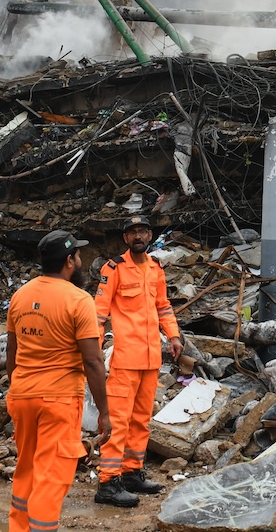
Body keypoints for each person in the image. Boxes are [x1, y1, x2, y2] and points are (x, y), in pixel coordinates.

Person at [7, 230, 111, 532]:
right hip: (59, 400)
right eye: (78, 256)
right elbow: (93, 360)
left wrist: (18, 387)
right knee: (52, 478)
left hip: (22, 395)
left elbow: (12, 352)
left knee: (26, 469)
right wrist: (104, 412)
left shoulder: (21, 295)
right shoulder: (79, 300)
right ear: (69, 261)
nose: (80, 260)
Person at [92, 215, 182, 506]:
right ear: (125, 238)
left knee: (141, 420)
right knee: (118, 421)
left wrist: (174, 336)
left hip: (151, 358)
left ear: (150, 235)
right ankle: (107, 482)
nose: (138, 236)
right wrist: (92, 348)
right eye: (133, 233)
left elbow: (163, 306)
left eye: (142, 231)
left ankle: (132, 473)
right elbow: (99, 313)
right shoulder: (114, 268)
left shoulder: (155, 269)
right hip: (125, 359)